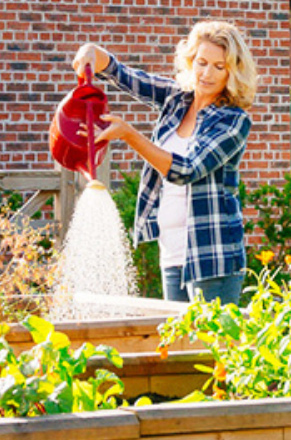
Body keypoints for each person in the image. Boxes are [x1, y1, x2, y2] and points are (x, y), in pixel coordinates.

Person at [72, 21, 257, 304]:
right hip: (171, 252)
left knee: (208, 335)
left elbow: (186, 169)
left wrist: (129, 135)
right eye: (201, 62)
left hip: (212, 257)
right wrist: (93, 53)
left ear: (233, 71)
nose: (207, 74)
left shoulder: (233, 120)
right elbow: (126, 76)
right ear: (190, 61)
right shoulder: (177, 99)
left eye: (219, 67)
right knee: (176, 333)